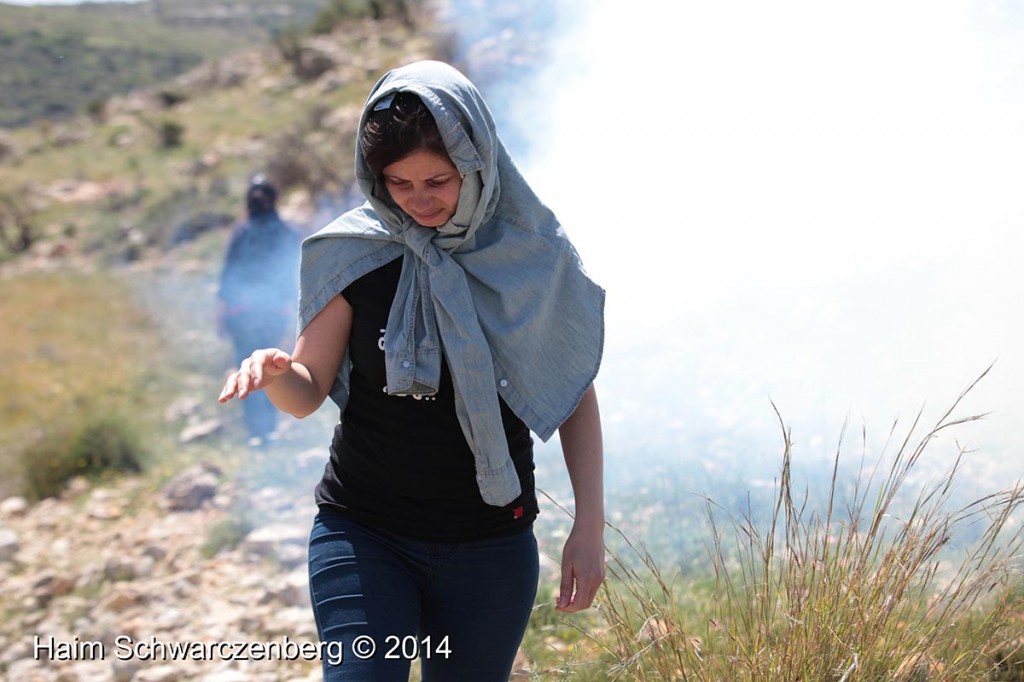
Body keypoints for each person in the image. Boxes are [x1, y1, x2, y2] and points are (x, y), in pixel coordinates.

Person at [218, 60, 606, 681]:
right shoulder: (354, 255)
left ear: (479, 163)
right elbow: (306, 393)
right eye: (399, 184)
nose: (419, 202)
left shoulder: (527, 257)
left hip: (490, 547)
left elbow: (572, 393)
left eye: (439, 180)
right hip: (364, 535)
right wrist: (278, 371)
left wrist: (589, 527)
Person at [216, 175, 302, 445]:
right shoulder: (283, 233)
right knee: (264, 371)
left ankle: (261, 432)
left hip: (250, 315)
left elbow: (227, 277)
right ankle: (264, 432)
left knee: (254, 369)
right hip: (263, 315)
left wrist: (221, 314)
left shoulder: (243, 232)